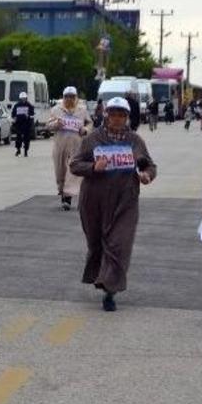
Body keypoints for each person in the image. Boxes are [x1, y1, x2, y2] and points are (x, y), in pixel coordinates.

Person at [69, 97, 156, 311]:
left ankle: (110, 290)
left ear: (127, 117)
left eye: (122, 115)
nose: (117, 119)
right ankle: (101, 277)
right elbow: (75, 165)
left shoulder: (135, 141)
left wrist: (146, 175)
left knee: (119, 244)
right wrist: (93, 167)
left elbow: (150, 166)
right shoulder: (93, 139)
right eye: (113, 114)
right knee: (97, 244)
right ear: (106, 115)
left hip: (125, 201)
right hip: (94, 201)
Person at [47, 86, 90, 210]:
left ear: (76, 98)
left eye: (72, 97)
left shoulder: (82, 110)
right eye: (67, 97)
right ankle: (62, 191)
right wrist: (56, 124)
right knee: (60, 172)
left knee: (72, 171)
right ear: (63, 97)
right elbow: (48, 125)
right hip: (60, 146)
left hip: (76, 147)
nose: (69, 99)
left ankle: (67, 198)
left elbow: (90, 123)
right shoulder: (56, 110)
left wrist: (85, 130)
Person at [11, 91, 35, 157]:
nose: (23, 100)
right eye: (22, 98)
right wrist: (14, 117)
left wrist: (29, 116)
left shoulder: (29, 105)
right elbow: (13, 114)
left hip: (27, 124)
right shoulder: (16, 105)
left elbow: (32, 115)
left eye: (24, 98)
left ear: (26, 98)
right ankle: (18, 149)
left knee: (26, 138)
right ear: (20, 99)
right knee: (18, 138)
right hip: (19, 124)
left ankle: (26, 151)